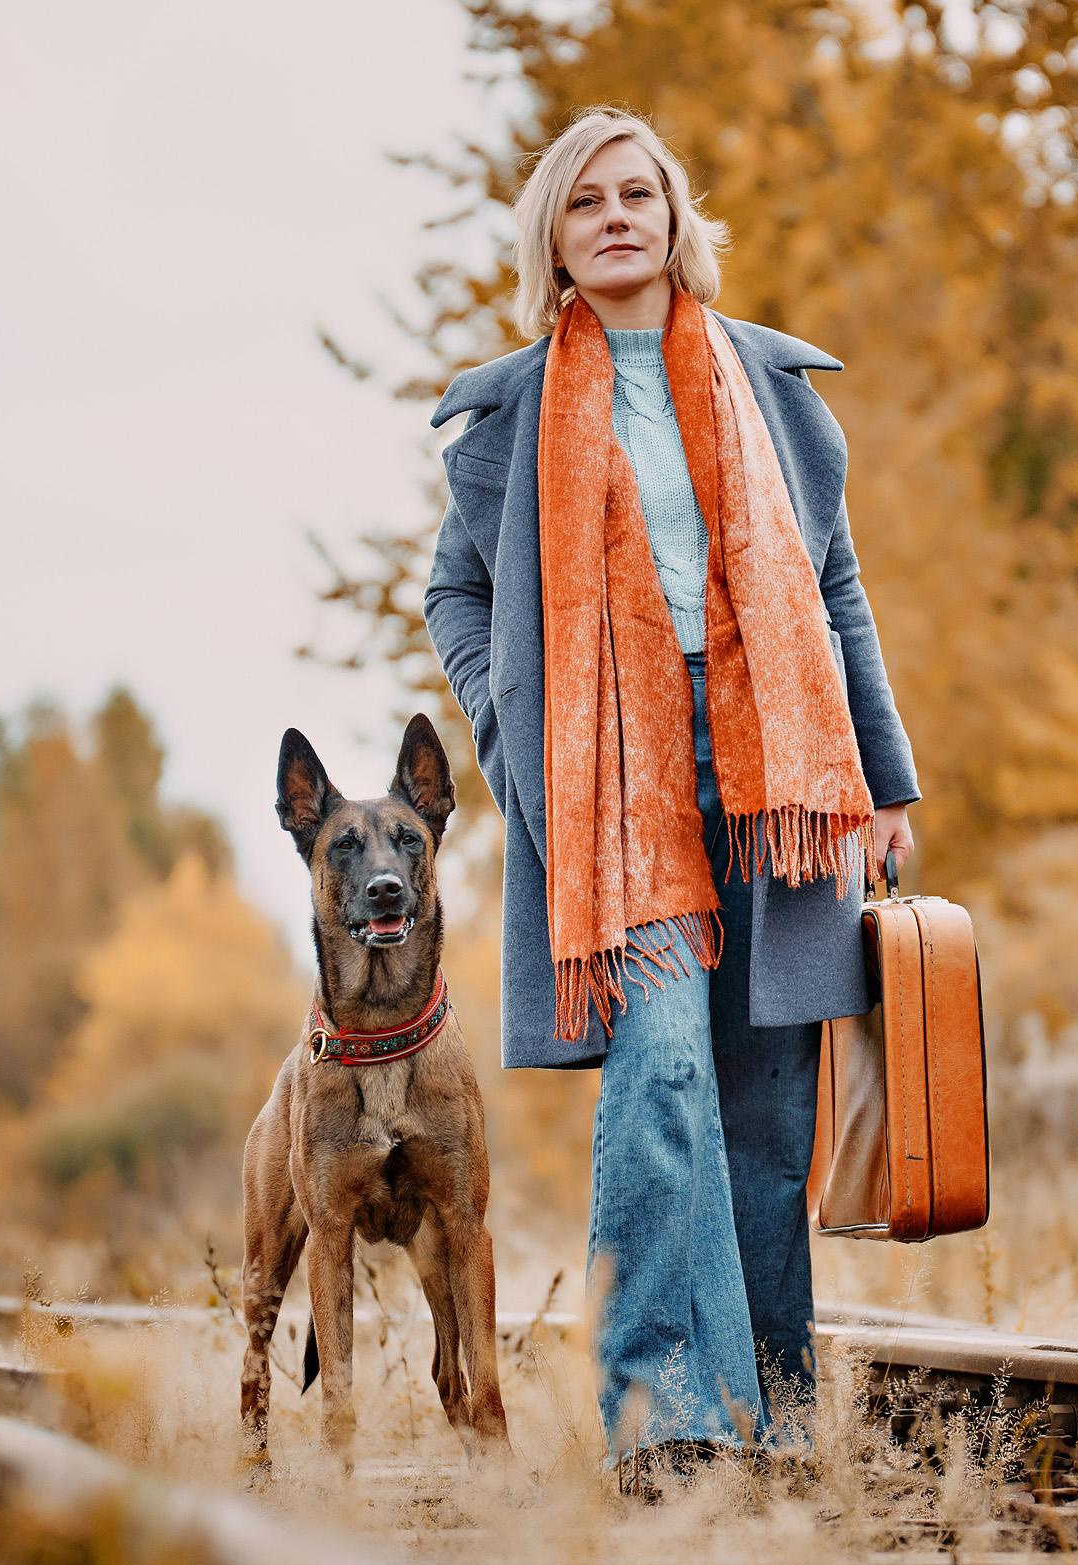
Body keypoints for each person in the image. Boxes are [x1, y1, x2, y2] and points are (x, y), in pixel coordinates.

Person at [421, 105, 921, 1494]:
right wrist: (507, 717)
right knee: (663, 1075)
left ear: (676, 213)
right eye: (587, 203)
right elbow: (453, 589)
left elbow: (833, 585)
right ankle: (664, 1422)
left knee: (765, 1112)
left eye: (639, 193)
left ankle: (772, 1424)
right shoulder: (510, 411)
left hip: (780, 767)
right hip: (606, 776)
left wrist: (883, 780)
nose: (618, 217)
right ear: (556, 241)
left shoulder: (770, 381)